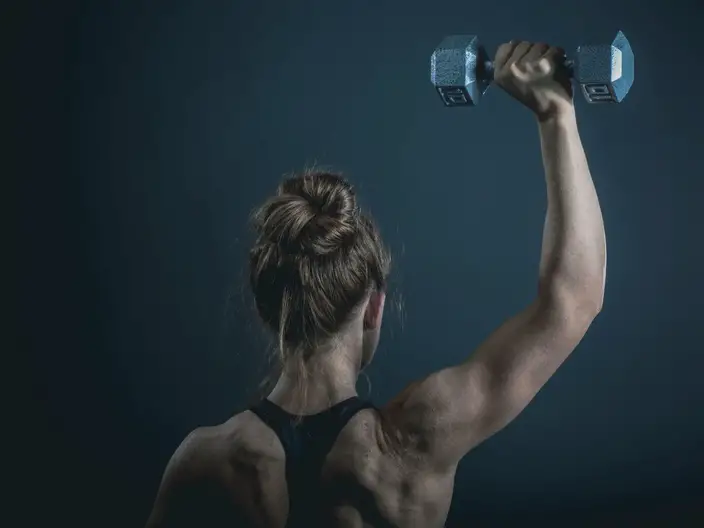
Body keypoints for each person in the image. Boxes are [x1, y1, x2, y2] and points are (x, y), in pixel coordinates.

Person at [145, 40, 607, 528]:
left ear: (267, 306)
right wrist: (555, 114)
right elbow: (575, 297)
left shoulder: (203, 465)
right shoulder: (416, 440)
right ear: (373, 309)